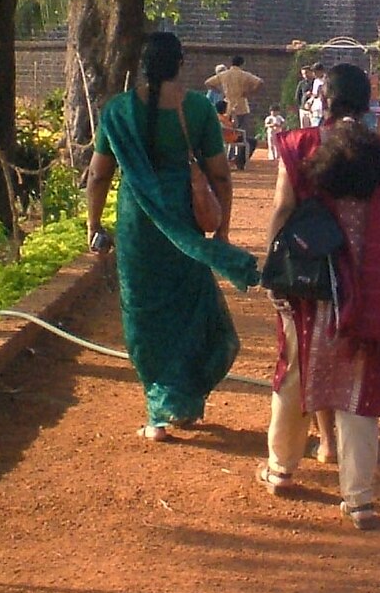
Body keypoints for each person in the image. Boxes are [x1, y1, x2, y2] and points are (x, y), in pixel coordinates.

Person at [260, 62, 380, 528]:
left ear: (325, 101)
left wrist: (270, 268)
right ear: (370, 105)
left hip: (310, 287)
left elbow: (282, 209)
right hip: (368, 291)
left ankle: (280, 470)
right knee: (360, 392)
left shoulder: (300, 146)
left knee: (295, 372)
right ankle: (359, 500)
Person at [85, 31, 258, 441]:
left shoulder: (118, 111)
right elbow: (219, 173)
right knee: (188, 308)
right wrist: (223, 230)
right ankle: (182, 400)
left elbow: (98, 175)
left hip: (136, 222)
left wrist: (93, 226)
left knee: (144, 312)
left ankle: (158, 411)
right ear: (180, 64)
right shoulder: (196, 108)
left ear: (141, 66)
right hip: (184, 221)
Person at [206, 56, 265, 158]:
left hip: (227, 105)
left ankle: (229, 155)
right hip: (241, 105)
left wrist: (221, 90)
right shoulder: (244, 75)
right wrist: (249, 92)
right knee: (242, 133)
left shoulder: (224, 74)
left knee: (228, 131)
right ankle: (240, 157)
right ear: (242, 64)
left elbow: (208, 83)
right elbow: (260, 82)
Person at [307, 62, 328, 128]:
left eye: (315, 72)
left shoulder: (327, 80)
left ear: (321, 71)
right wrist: (309, 101)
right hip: (316, 108)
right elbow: (314, 94)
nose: (314, 74)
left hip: (324, 108)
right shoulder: (316, 81)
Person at [295, 64, 316, 129]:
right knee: (304, 128)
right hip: (303, 109)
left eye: (306, 73)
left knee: (313, 128)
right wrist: (301, 105)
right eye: (303, 74)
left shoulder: (315, 82)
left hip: (313, 109)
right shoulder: (301, 83)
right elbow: (297, 96)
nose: (305, 75)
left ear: (311, 72)